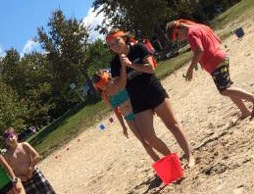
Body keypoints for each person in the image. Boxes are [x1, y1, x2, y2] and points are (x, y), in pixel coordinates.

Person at [107, 28, 195, 168]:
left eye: (116, 40)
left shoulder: (139, 48)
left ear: (124, 38)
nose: (115, 45)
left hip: (153, 90)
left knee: (172, 124)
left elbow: (151, 68)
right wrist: (123, 67)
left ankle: (190, 156)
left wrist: (131, 64)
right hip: (137, 99)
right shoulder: (114, 63)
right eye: (111, 44)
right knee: (148, 137)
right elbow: (121, 86)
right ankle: (173, 160)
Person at [166, 19, 254, 119]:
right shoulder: (200, 26)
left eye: (177, 38)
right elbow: (217, 39)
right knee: (228, 87)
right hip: (221, 57)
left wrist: (190, 70)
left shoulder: (191, 33)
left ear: (178, 30)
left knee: (224, 90)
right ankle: (245, 111)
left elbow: (199, 51)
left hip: (216, 62)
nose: (179, 40)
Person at [93, 69, 164, 163]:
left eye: (106, 83)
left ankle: (167, 155)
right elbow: (116, 112)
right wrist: (123, 127)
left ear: (109, 78)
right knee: (144, 143)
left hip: (139, 111)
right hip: (129, 119)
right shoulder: (106, 95)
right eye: (102, 87)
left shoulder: (119, 83)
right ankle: (160, 164)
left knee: (150, 138)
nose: (106, 87)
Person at [1, 129, 66, 194]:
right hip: (23, 179)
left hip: (35, 173)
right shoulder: (6, 154)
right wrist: (19, 176)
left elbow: (37, 156)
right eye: (7, 139)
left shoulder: (24, 145)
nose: (10, 139)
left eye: (11, 136)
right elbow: (8, 169)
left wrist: (31, 169)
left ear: (16, 136)